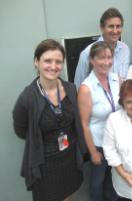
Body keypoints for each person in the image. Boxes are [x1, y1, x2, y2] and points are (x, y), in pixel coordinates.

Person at [12, 39, 87, 201]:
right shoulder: (27, 98)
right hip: (45, 164)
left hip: (70, 158)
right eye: (47, 60)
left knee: (68, 194)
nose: (53, 66)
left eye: (58, 62)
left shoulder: (71, 88)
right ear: (36, 62)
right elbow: (21, 130)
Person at [78, 41, 120, 201]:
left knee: (114, 178)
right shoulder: (86, 88)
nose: (106, 62)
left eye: (109, 57)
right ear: (92, 60)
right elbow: (83, 123)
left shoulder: (116, 79)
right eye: (101, 58)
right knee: (97, 181)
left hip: (116, 141)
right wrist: (93, 152)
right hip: (99, 144)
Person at [74, 7, 130, 88]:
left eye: (118, 26)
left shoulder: (125, 50)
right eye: (111, 26)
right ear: (101, 28)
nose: (115, 31)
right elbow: (79, 87)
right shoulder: (87, 53)